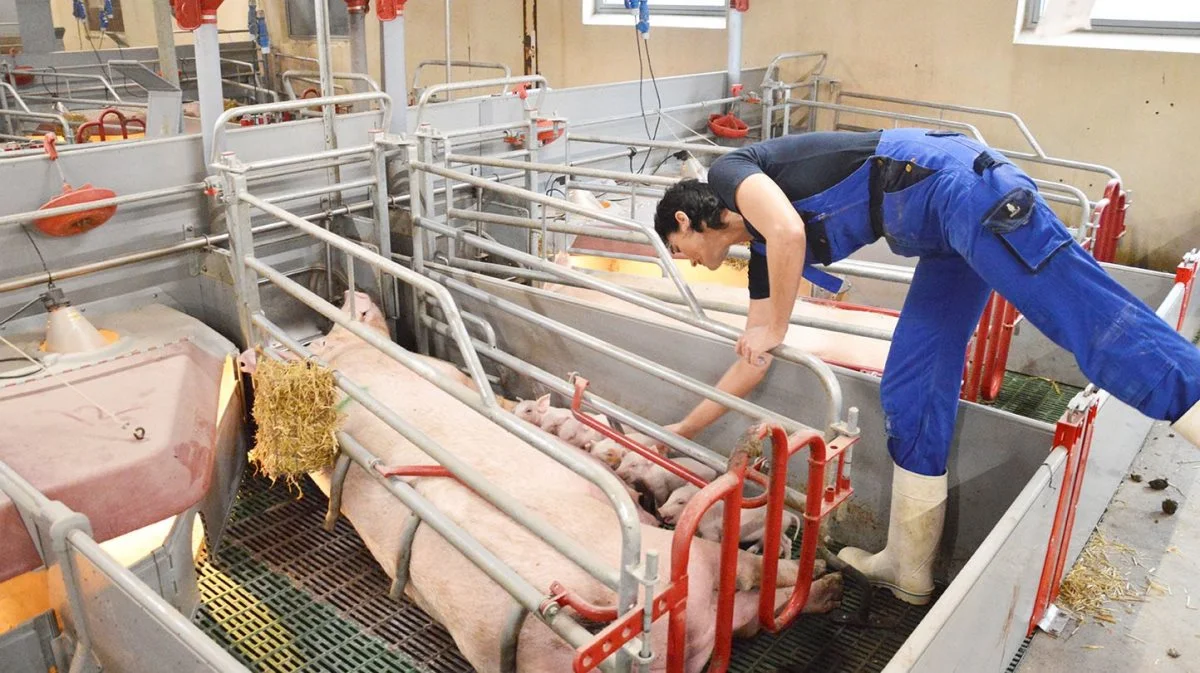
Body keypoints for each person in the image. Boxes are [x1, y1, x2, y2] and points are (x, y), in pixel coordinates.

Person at [652, 128, 1200, 606]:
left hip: (960, 189)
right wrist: (680, 430)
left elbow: (791, 231)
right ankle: (908, 566)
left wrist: (774, 327)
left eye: (678, 248)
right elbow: (753, 358)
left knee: (1084, 318)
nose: (688, 261)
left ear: (686, 219)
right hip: (938, 234)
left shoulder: (731, 173)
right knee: (913, 385)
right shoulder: (765, 257)